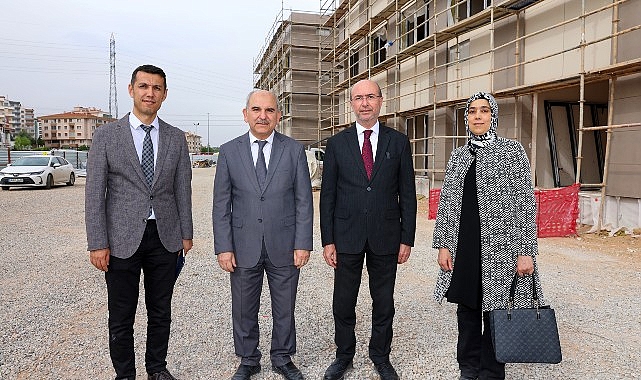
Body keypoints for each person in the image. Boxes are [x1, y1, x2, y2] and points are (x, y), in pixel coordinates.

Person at [85, 64, 193, 380]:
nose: (150, 93)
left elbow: (182, 187)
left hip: (165, 236)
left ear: (164, 95)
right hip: (120, 240)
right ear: (131, 90)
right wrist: (97, 242)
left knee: (161, 312)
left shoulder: (175, 137)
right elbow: (94, 193)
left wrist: (186, 232)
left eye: (156, 88)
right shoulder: (106, 136)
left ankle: (157, 369)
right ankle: (125, 374)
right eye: (144, 86)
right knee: (121, 315)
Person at [432, 91, 546, 380]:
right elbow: (447, 203)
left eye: (484, 110)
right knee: (467, 311)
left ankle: (492, 371)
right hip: (465, 246)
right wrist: (444, 245)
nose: (478, 116)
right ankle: (468, 369)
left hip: (502, 248)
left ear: (494, 116)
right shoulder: (459, 155)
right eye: (472, 111)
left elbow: (525, 202)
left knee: (497, 312)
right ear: (467, 118)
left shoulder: (511, 151)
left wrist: (525, 250)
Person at [212, 89, 313, 380]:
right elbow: (221, 203)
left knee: (285, 307)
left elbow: (304, 201)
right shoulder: (229, 151)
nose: (262, 116)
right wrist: (224, 247)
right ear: (245, 114)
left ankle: (282, 357)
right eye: (256, 109)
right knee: (244, 307)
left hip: (285, 244)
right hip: (243, 245)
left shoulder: (293, 150)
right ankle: (248, 359)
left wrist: (303, 243)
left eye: (269, 110)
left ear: (278, 116)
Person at [319, 79, 417, 380]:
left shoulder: (398, 142)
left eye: (370, 97)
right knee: (344, 301)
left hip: (386, 235)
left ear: (380, 101)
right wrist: (328, 240)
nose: (364, 103)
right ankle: (343, 355)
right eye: (359, 98)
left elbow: (408, 194)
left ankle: (380, 355)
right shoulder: (336, 144)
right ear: (351, 103)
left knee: (384, 301)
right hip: (346, 235)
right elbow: (328, 196)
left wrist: (407, 238)